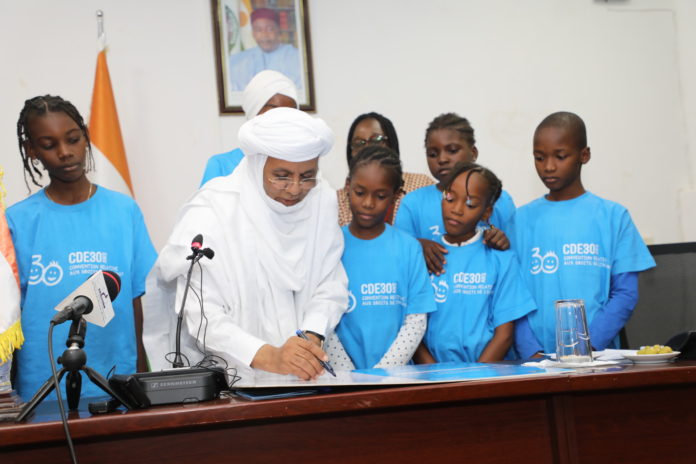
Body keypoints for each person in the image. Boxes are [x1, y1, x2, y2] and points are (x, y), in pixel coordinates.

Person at [143, 107, 348, 381]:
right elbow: (202, 315)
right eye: (282, 175)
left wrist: (311, 336)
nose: (296, 188)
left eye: (307, 175)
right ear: (257, 164)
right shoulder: (214, 211)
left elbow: (330, 283)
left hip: (304, 380)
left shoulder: (321, 200)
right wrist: (270, 356)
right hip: (231, 382)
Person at [7, 95, 157, 399]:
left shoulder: (124, 211)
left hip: (117, 382)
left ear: (86, 137)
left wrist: (141, 377)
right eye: (49, 145)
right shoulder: (16, 221)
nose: (65, 152)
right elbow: (8, 315)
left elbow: (138, 298)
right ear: (31, 151)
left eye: (73, 139)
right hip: (42, 390)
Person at [511, 111, 656, 358]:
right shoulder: (518, 219)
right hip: (533, 362)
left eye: (560, 156)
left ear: (584, 155)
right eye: (539, 157)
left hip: (596, 358)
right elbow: (509, 294)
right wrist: (530, 350)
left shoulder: (613, 216)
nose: (548, 166)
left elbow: (625, 293)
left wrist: (589, 347)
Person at [324, 146, 436, 370]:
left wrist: (382, 373)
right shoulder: (330, 246)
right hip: (340, 378)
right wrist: (349, 376)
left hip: (397, 378)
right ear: (347, 187)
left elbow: (415, 321)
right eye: (360, 192)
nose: (368, 203)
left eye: (381, 196)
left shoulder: (409, 248)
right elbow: (321, 316)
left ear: (396, 196)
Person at [414, 162, 535, 364]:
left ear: (486, 212)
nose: (457, 210)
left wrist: (474, 379)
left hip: (484, 376)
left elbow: (504, 335)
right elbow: (412, 327)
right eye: (450, 198)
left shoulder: (501, 259)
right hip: (431, 377)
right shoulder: (426, 257)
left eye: (470, 204)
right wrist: (434, 377)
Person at [395, 113, 515, 275]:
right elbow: (398, 253)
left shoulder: (499, 199)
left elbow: (514, 249)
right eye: (432, 154)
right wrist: (418, 246)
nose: (442, 159)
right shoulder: (413, 203)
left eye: (452, 150)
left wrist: (502, 240)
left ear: (473, 153)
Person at [200, 70, 298, 186]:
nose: (283, 119)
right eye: (274, 111)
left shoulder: (301, 163)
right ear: (254, 113)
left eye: (290, 113)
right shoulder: (221, 164)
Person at [337, 112, 433, 226]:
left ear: (391, 143)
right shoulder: (336, 201)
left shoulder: (421, 185)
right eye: (359, 143)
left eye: (376, 140)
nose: (367, 148)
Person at [228, 8, 302, 91]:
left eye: (270, 29)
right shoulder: (235, 61)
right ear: (253, 33)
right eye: (258, 30)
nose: (264, 35)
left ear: (278, 30)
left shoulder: (298, 58)